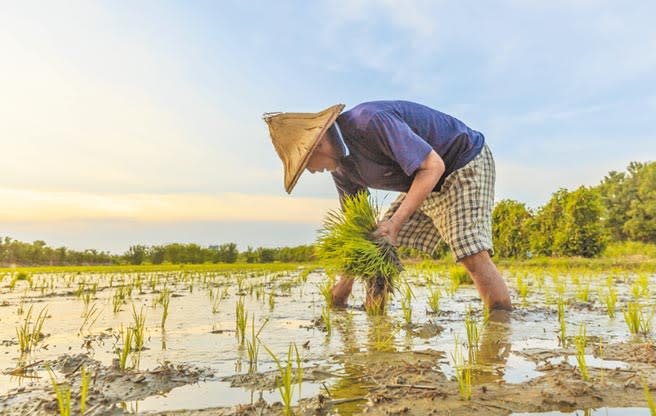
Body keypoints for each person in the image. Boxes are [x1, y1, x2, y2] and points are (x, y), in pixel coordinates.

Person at [263, 100, 512, 310]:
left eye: (306, 165)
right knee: (377, 248)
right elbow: (359, 233)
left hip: (462, 161)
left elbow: (433, 166)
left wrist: (394, 224)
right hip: (424, 179)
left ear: (315, 146)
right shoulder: (341, 169)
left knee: (469, 251)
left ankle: (499, 329)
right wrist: (345, 281)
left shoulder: (370, 122)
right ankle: (377, 329)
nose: (312, 171)